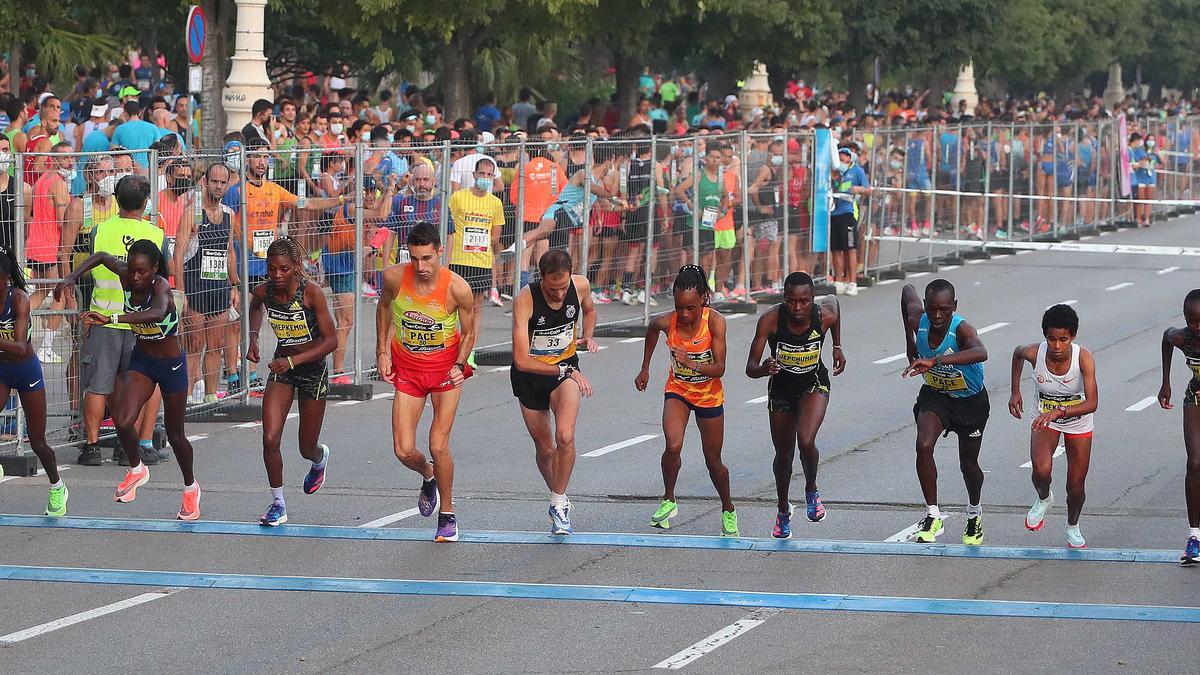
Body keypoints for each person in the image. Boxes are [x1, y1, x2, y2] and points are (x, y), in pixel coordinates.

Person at [56, 239, 199, 519]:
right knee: (122, 420)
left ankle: (191, 488)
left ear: (154, 269)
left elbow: (157, 313)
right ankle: (136, 469)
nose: (135, 277)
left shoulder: (161, 288)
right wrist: (72, 276)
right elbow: (99, 255)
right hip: (143, 361)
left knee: (176, 435)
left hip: (170, 365)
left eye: (142, 272)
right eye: (132, 270)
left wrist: (110, 318)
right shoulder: (126, 275)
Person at [376, 222, 477, 542]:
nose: (420, 266)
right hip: (407, 369)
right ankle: (428, 473)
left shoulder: (456, 288)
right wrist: (382, 351)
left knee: (437, 443)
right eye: (414, 258)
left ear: (439, 253)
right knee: (404, 450)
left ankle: (447, 514)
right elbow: (383, 308)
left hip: (445, 371)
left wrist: (461, 364)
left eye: (427, 259)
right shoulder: (394, 277)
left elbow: (471, 330)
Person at [634, 264, 737, 536]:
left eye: (690, 308)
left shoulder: (714, 322)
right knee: (673, 444)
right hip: (678, 390)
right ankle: (669, 498)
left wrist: (691, 362)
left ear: (703, 299)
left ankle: (728, 509)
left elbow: (720, 368)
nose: (684, 314)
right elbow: (652, 329)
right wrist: (645, 368)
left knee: (713, 460)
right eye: (679, 307)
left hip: (708, 396)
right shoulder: (668, 321)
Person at [72, 174, 167, 467]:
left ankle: (91, 446)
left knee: (97, 384)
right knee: (139, 385)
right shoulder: (156, 234)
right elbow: (165, 275)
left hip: (103, 316)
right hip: (140, 320)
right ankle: (131, 446)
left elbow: (92, 261)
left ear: (116, 200)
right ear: (146, 203)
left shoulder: (100, 230)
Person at [745, 272, 845, 538]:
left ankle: (811, 490)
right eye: (792, 302)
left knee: (807, 440)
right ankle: (782, 510)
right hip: (781, 390)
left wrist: (837, 346)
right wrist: (764, 368)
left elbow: (834, 300)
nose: (798, 308)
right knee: (784, 455)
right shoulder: (770, 321)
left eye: (803, 301)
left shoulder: (823, 316)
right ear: (784, 299)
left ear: (812, 300)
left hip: (813, 384)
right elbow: (750, 368)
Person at [247, 237, 338, 526]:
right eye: (272, 269)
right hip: (282, 369)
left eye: (283, 269)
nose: (277, 276)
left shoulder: (311, 294)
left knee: (305, 446)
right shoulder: (265, 291)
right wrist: (252, 338)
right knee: (270, 437)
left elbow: (331, 341)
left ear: (296, 267)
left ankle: (320, 458)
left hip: (312, 371)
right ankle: (278, 503)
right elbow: (254, 307)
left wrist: (293, 361)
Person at [510, 249, 598, 535]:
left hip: (566, 372)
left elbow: (591, 308)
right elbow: (522, 359)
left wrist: (588, 333)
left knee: (565, 436)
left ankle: (558, 502)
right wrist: (565, 370)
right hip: (530, 377)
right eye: (552, 289)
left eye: (563, 288)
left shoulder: (580, 285)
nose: (559, 295)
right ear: (541, 279)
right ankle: (558, 495)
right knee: (546, 448)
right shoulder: (526, 299)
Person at [900, 279, 988, 545]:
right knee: (923, 444)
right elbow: (906, 292)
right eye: (933, 309)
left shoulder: (961, 330)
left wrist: (936, 360)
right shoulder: (920, 319)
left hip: (970, 402)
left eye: (945, 310)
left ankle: (974, 513)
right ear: (925, 306)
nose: (938, 316)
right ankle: (933, 514)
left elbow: (981, 352)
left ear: (954, 307)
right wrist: (910, 342)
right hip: (937, 396)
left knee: (968, 465)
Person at [1009, 304, 1097, 548]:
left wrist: (1061, 411)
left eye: (1063, 340)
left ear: (1073, 337)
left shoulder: (1084, 358)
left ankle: (1072, 526)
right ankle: (1044, 497)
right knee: (1041, 470)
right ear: (1044, 336)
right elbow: (1017, 354)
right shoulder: (1034, 353)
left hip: (1078, 422)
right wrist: (1015, 391)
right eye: (1051, 339)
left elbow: (1092, 403)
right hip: (1045, 418)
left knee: (1076, 486)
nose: (1057, 346)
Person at [0, 247, 65, 515]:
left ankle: (57, 486)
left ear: (3, 277)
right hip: (2, 367)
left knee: (37, 441)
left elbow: (21, 348)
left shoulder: (18, 300)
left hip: (25, 369)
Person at [173, 162, 239, 403]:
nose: (219, 186)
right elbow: (178, 252)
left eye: (223, 182)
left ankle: (211, 395)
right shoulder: (192, 212)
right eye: (215, 181)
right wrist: (180, 292)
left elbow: (229, 251)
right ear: (205, 182)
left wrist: (235, 285)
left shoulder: (229, 215)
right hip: (195, 283)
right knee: (194, 343)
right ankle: (187, 395)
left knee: (216, 344)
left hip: (219, 284)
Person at [1157, 289, 1200, 566]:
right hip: (1194, 396)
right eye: (1191, 320)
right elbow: (1166, 337)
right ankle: (1194, 536)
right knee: (1195, 462)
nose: (1196, 328)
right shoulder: (1182, 337)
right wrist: (1166, 381)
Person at [447, 156, 504, 368]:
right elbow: (447, 224)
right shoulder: (458, 197)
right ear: (474, 175)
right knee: (452, 306)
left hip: (481, 261)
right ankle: (450, 349)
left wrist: (481, 241)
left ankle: (469, 351)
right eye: (482, 174)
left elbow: (496, 235)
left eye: (490, 175)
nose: (485, 178)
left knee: (475, 308)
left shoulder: (495, 203)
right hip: (459, 260)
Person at [831, 147, 869, 295]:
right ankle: (839, 281)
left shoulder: (857, 171)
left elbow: (868, 189)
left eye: (846, 159)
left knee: (850, 248)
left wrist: (859, 189)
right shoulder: (832, 172)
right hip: (833, 213)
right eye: (841, 159)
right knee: (836, 249)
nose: (843, 161)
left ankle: (852, 282)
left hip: (848, 213)